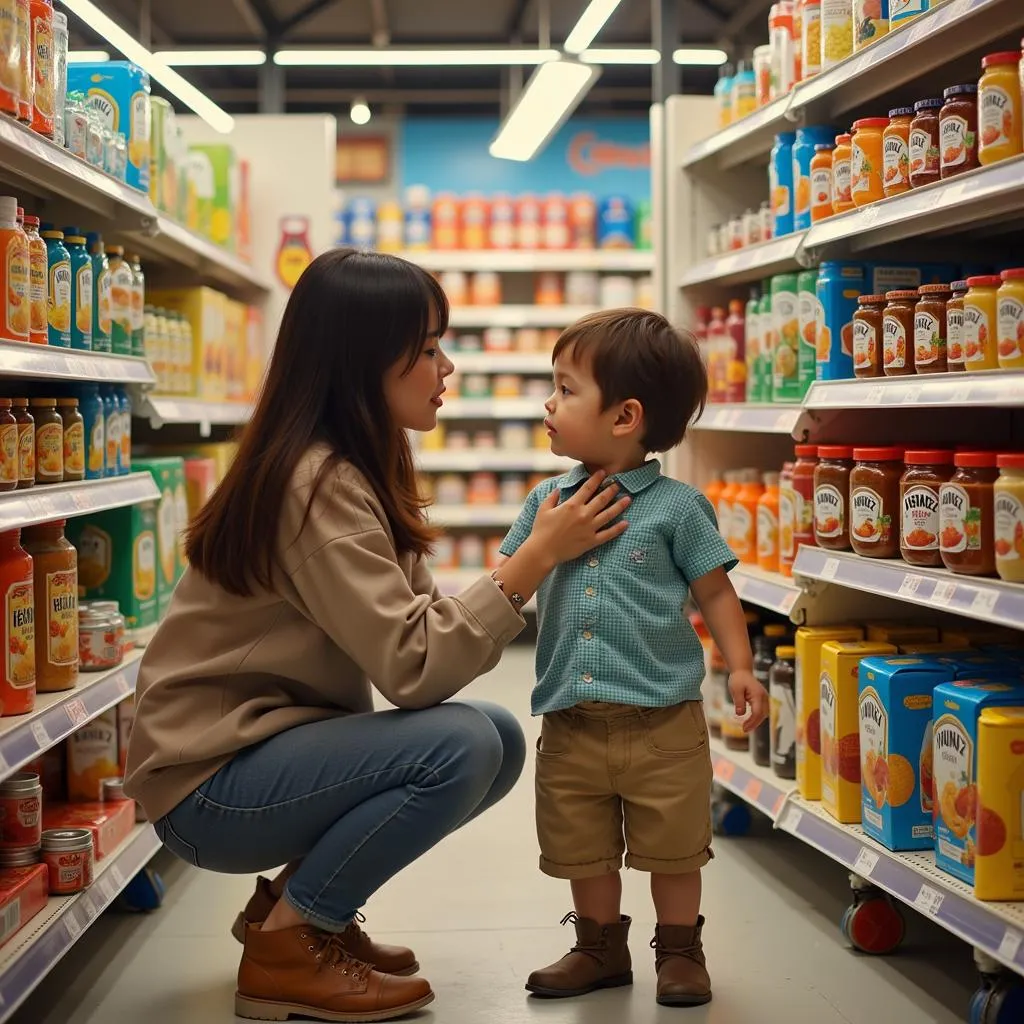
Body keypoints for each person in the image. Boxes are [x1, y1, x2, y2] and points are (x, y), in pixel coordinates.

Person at [122, 248, 632, 1023]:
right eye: (428, 348)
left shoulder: (357, 463)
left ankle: (296, 918)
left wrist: (524, 569)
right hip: (209, 786)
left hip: (254, 755)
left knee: (494, 736)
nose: (446, 366)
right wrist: (531, 562)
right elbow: (415, 670)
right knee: (462, 742)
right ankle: (288, 953)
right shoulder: (315, 485)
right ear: (365, 360)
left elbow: (418, 627)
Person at [498, 309, 768, 1008]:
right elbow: (508, 580)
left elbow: (715, 592)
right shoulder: (545, 503)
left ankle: (679, 950)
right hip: (571, 717)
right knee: (580, 846)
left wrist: (739, 664)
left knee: (674, 848)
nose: (548, 405)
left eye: (563, 389)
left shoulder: (678, 510)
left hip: (663, 722)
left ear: (624, 417)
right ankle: (599, 947)